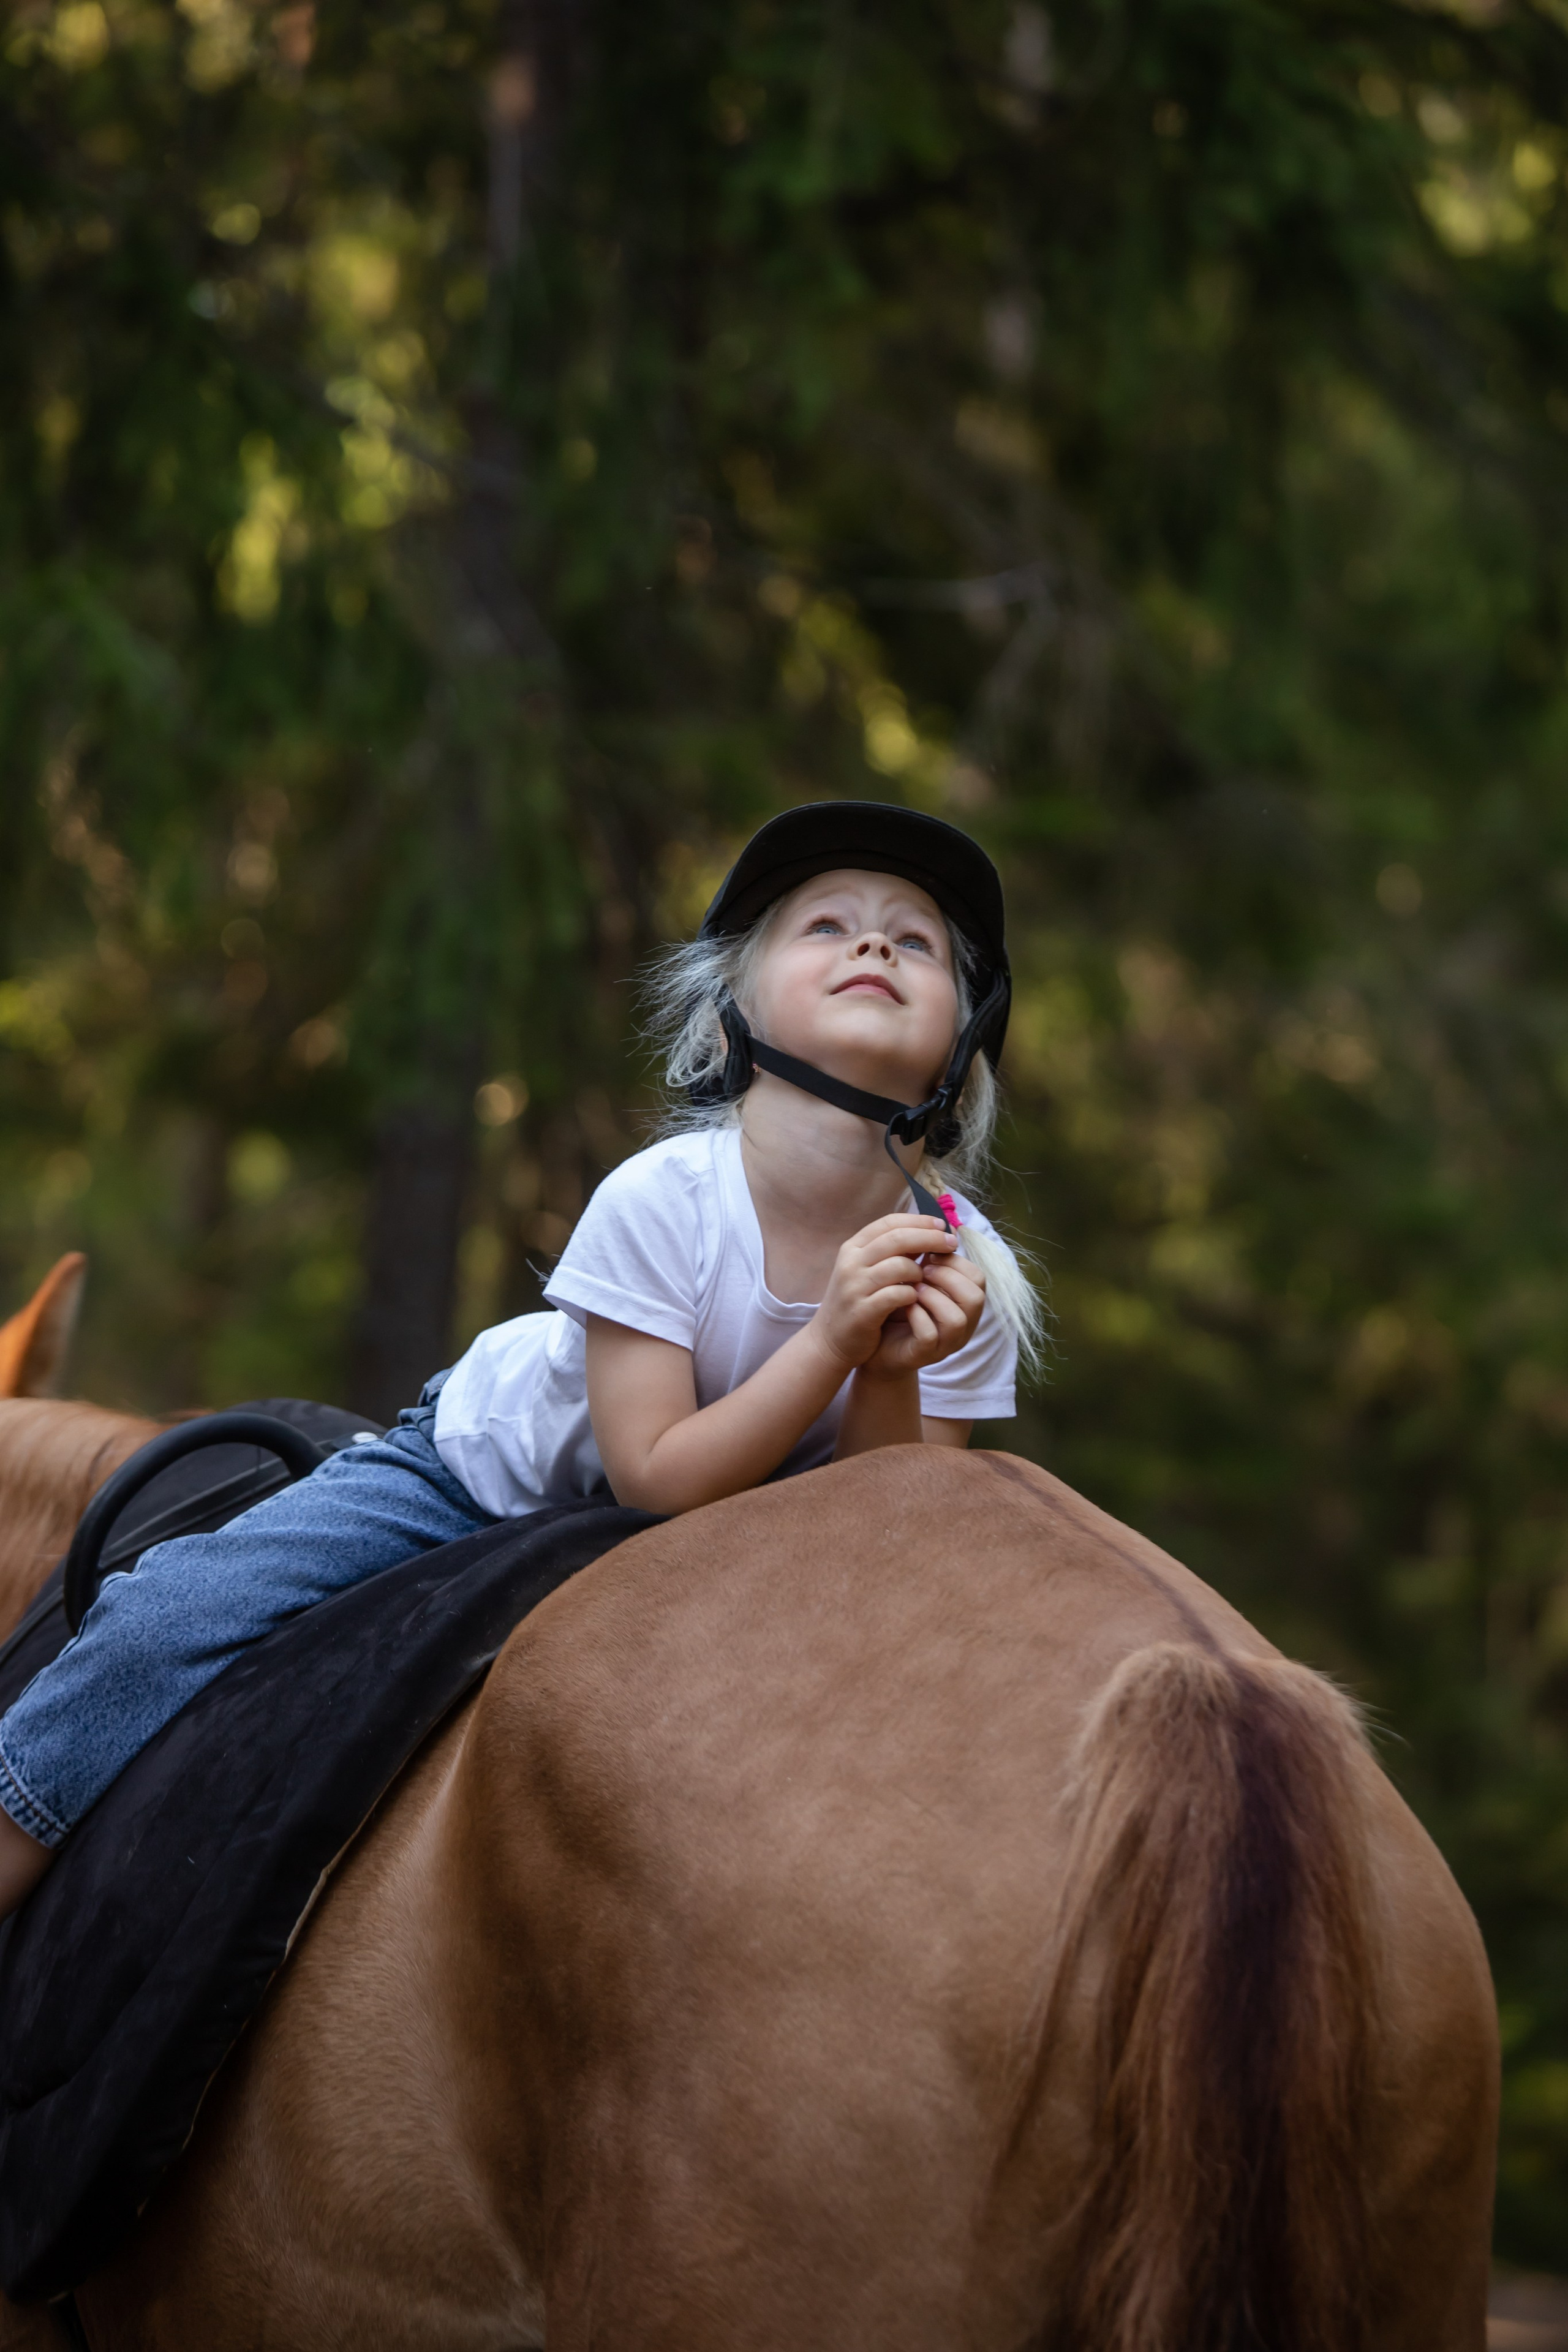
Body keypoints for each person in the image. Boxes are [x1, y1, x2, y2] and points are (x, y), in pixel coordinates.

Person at [0, 801, 1042, 1922]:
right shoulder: (667, 1199)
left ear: (962, 1038)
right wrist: (834, 1339)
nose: (875, 943)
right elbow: (652, 1478)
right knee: (171, 1614)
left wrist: (887, 1371)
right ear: (732, 1014)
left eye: (916, 941)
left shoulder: (961, 1264)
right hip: (477, 1483)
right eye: (827, 925)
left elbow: (884, 1532)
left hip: (743, 1559)